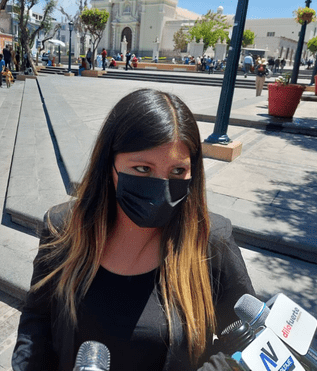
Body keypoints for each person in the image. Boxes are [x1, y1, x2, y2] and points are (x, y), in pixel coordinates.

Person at [12, 89, 256, 370]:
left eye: (178, 172)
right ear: (109, 164)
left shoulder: (210, 240)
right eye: (142, 169)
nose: (161, 188)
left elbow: (250, 340)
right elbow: (37, 322)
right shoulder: (64, 228)